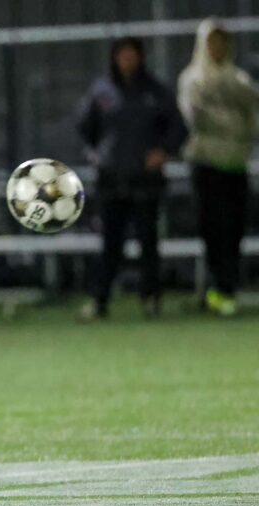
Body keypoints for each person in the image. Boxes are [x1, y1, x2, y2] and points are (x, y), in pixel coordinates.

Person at [76, 37, 186, 321]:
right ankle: (100, 300)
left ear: (140, 57)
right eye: (121, 54)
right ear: (114, 57)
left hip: (146, 180)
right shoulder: (102, 91)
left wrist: (163, 151)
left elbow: (178, 128)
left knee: (148, 241)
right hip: (111, 179)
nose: (127, 59)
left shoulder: (155, 90)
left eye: (131, 54)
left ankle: (151, 298)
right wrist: (97, 154)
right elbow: (86, 128)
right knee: (110, 243)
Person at [178, 19, 259, 317]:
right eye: (213, 41)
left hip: (236, 165)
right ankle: (216, 291)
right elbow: (196, 117)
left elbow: (251, 120)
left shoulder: (240, 79)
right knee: (212, 229)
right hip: (205, 165)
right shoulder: (192, 79)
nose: (218, 47)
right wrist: (231, 119)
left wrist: (227, 120)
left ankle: (227, 290)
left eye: (223, 41)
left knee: (234, 230)